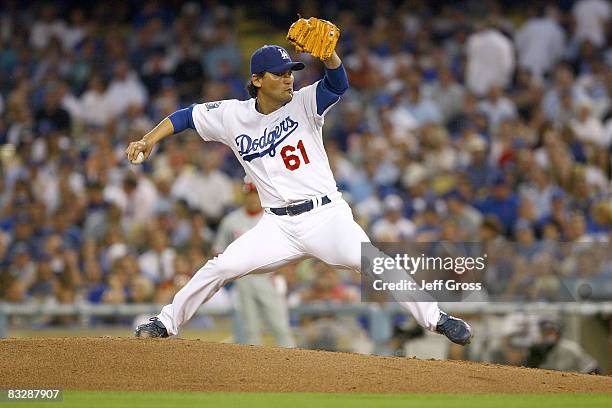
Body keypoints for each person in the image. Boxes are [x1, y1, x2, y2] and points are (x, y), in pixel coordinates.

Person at [127, 37, 471, 345]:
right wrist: (148, 140)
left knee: (375, 262)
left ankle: (436, 317)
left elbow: (338, 84)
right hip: (277, 226)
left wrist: (331, 56)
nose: (288, 77)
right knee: (221, 267)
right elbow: (186, 116)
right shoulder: (232, 115)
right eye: (279, 73)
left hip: (326, 217)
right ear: (257, 81)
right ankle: (166, 322)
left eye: (290, 71)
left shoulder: (305, 102)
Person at [214, 182, 295, 347]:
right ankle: (254, 370)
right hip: (243, 278)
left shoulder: (273, 217)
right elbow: (218, 251)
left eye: (255, 194)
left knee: (280, 326)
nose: (252, 198)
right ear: (244, 196)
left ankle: (295, 366)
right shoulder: (231, 220)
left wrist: (282, 272)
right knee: (250, 329)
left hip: (268, 277)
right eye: (249, 194)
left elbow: (289, 248)